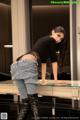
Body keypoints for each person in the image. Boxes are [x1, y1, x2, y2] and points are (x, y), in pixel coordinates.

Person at [10, 26, 65, 120]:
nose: (59, 39)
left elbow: (43, 64)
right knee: (34, 103)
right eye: (58, 35)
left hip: (16, 66)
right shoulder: (51, 40)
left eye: (61, 38)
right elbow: (54, 61)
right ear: (52, 32)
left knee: (25, 103)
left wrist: (43, 80)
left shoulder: (43, 42)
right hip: (28, 65)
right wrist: (56, 80)